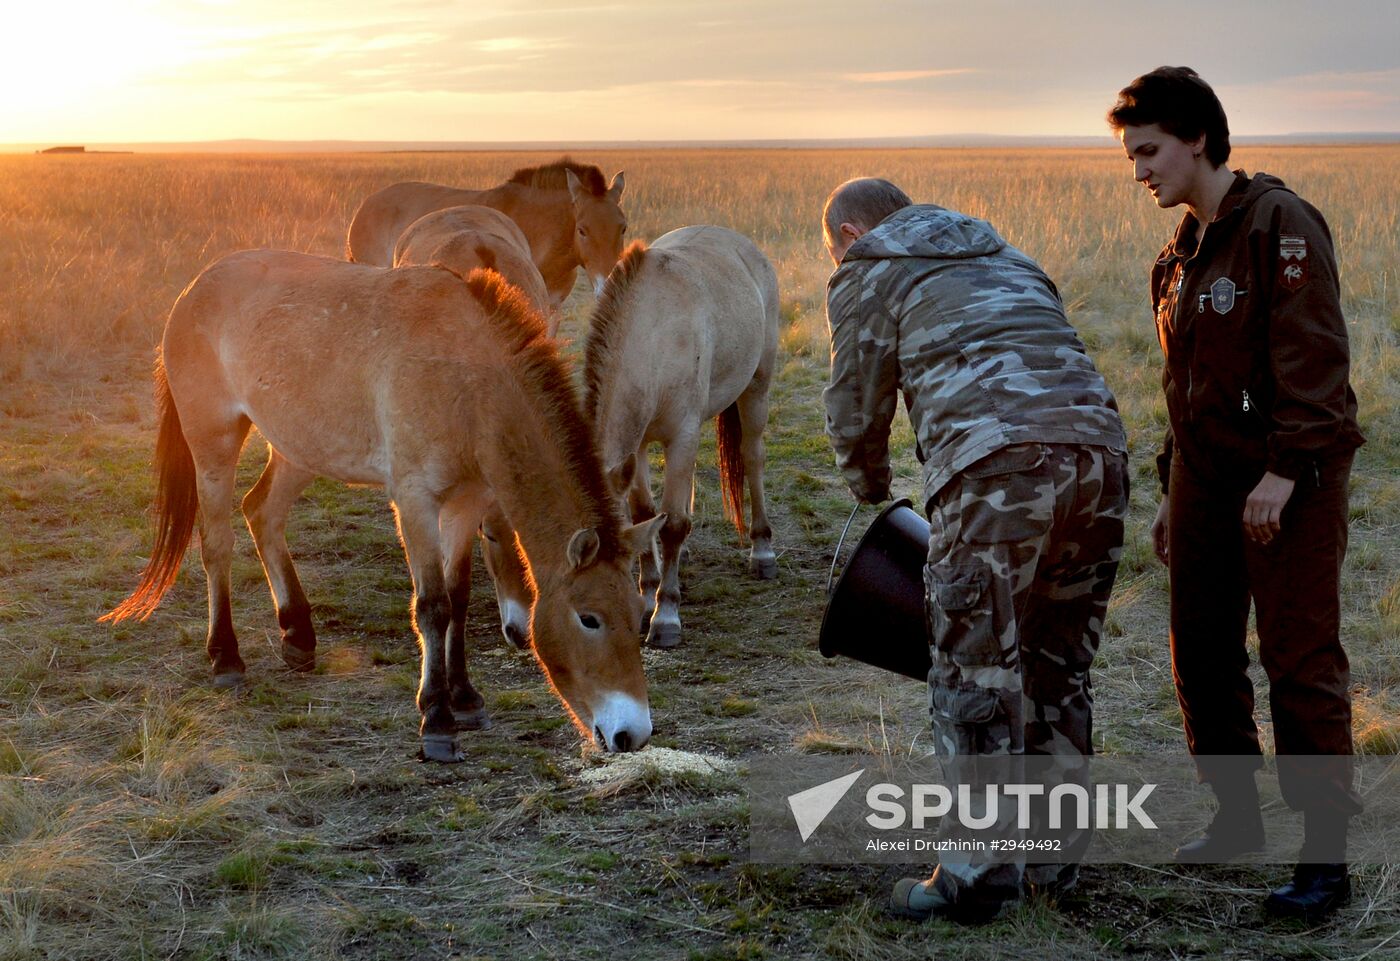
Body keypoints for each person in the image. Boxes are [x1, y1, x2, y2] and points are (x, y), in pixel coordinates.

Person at [821, 178, 1128, 920]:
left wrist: (869, 483)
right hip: (1100, 461)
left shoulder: (869, 266)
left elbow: (855, 404)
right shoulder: (1009, 253)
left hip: (996, 473)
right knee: (1058, 663)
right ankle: (1052, 867)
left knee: (973, 669)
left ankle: (975, 875)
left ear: (853, 232)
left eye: (833, 250)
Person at [1108, 66, 1365, 922]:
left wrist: (1286, 471)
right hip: (1205, 484)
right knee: (1201, 652)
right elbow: (1186, 387)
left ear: (1199, 140)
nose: (1138, 170)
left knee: (1298, 658)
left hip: (1288, 483)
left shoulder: (1279, 226)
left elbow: (1318, 363)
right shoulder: (1177, 256)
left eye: (1148, 151)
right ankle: (1235, 816)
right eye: (1132, 155)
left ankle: (1325, 859)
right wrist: (1167, 488)